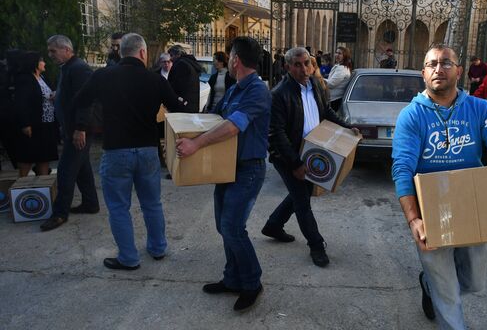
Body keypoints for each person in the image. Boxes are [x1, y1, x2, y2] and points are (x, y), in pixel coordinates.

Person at [391, 45, 487, 330]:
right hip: (431, 210)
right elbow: (402, 169)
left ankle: (428, 282)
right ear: (423, 73)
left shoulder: (480, 109)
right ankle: (444, 301)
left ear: (459, 70)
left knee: (473, 281)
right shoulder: (411, 116)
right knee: (447, 293)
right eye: (431, 63)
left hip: (473, 205)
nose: (438, 68)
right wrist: (414, 220)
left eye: (446, 63)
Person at [71, 33, 188, 270]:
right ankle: (157, 248)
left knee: (118, 207)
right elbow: (176, 107)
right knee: (152, 203)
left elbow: (79, 101)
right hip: (147, 150)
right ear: (143, 53)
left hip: (116, 151)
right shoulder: (155, 80)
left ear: (120, 51)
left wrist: (88, 123)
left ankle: (128, 257)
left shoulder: (103, 76)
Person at [176, 37, 271, 312]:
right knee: (223, 226)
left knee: (232, 227)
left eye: (230, 55)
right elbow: (212, 118)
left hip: (248, 170)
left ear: (235, 60)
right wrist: (182, 126)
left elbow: (232, 126)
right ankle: (232, 279)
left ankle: (252, 283)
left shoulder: (257, 91)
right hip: (227, 167)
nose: (228, 59)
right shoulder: (235, 89)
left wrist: (195, 144)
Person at [262, 47, 359, 267]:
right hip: (287, 156)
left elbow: (326, 112)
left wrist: (347, 127)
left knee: (300, 195)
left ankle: (273, 225)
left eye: (307, 63)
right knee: (302, 201)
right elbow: (276, 134)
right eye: (297, 64)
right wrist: (295, 163)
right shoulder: (279, 94)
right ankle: (316, 245)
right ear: (287, 67)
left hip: (310, 152)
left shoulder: (315, 85)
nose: (304, 68)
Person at [40, 35, 100, 232]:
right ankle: (91, 203)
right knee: (82, 168)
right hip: (73, 128)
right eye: (49, 51)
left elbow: (87, 101)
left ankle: (59, 214)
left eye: (53, 51)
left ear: (66, 49)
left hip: (79, 129)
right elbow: (72, 94)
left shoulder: (78, 68)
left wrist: (80, 129)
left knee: (66, 171)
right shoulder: (68, 68)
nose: (50, 55)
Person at [13, 52, 58, 177]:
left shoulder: (43, 78)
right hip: (34, 124)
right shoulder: (25, 79)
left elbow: (50, 92)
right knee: (28, 156)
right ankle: (21, 188)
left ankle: (43, 186)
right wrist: (25, 123)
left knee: (44, 156)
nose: (45, 63)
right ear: (34, 63)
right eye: (42, 61)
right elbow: (22, 103)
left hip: (47, 123)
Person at [167, 45, 202, 113]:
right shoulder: (190, 63)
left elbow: (176, 86)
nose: (170, 59)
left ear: (179, 54)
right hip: (191, 106)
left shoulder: (181, 64)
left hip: (182, 107)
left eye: (172, 55)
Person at [326, 46, 353, 111]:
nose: (337, 55)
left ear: (345, 56)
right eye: (336, 53)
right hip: (333, 99)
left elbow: (331, 84)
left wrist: (319, 79)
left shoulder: (342, 69)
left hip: (335, 99)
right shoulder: (339, 66)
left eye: (340, 53)